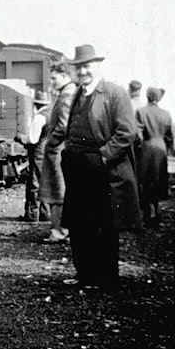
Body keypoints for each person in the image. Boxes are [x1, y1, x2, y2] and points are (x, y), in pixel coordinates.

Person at [45, 44, 142, 290]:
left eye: (87, 66)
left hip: (103, 172)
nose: (83, 71)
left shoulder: (113, 93)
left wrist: (102, 156)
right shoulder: (77, 94)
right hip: (78, 170)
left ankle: (106, 278)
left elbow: (127, 132)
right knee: (79, 225)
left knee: (103, 226)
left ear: (98, 65)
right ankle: (84, 274)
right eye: (78, 67)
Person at [39, 61, 77, 242]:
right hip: (60, 150)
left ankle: (60, 231)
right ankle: (60, 229)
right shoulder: (67, 93)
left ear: (65, 76)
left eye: (54, 78)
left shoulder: (67, 95)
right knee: (58, 190)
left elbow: (63, 126)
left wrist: (51, 143)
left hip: (58, 151)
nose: (52, 81)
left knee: (58, 190)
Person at [135, 86, 174, 226]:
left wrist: (137, 148)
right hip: (161, 147)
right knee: (158, 179)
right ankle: (157, 213)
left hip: (147, 147)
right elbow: (169, 136)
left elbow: (137, 134)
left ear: (147, 96)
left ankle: (147, 214)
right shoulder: (166, 114)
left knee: (145, 180)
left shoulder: (141, 112)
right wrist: (169, 149)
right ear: (159, 98)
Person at [17, 89, 51, 221]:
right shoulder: (51, 115)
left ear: (35, 104)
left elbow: (32, 139)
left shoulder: (39, 117)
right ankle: (45, 214)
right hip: (48, 153)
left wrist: (19, 137)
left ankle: (32, 215)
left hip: (38, 154)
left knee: (34, 183)